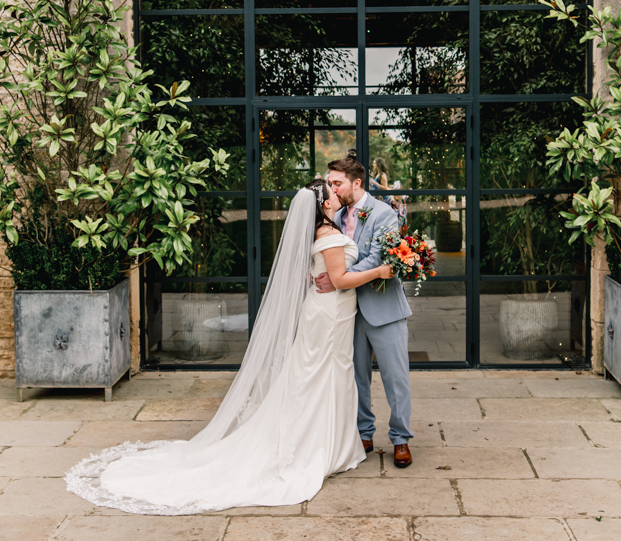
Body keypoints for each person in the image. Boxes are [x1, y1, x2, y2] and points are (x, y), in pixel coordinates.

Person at [65, 180, 393, 514]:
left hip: (329, 314)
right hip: (329, 316)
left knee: (322, 374)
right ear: (324, 204)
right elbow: (339, 280)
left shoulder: (322, 232)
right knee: (321, 375)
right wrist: (382, 270)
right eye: (332, 192)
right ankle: (316, 448)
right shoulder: (328, 235)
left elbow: (326, 272)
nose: (338, 194)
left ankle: (330, 443)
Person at [316, 156, 415, 468]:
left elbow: (377, 258)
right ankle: (364, 434)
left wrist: (338, 280)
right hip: (351, 312)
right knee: (357, 377)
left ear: (356, 183)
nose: (331, 188)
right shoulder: (336, 214)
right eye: (330, 183)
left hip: (385, 309)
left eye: (336, 183)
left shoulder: (385, 213)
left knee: (395, 379)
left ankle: (400, 439)